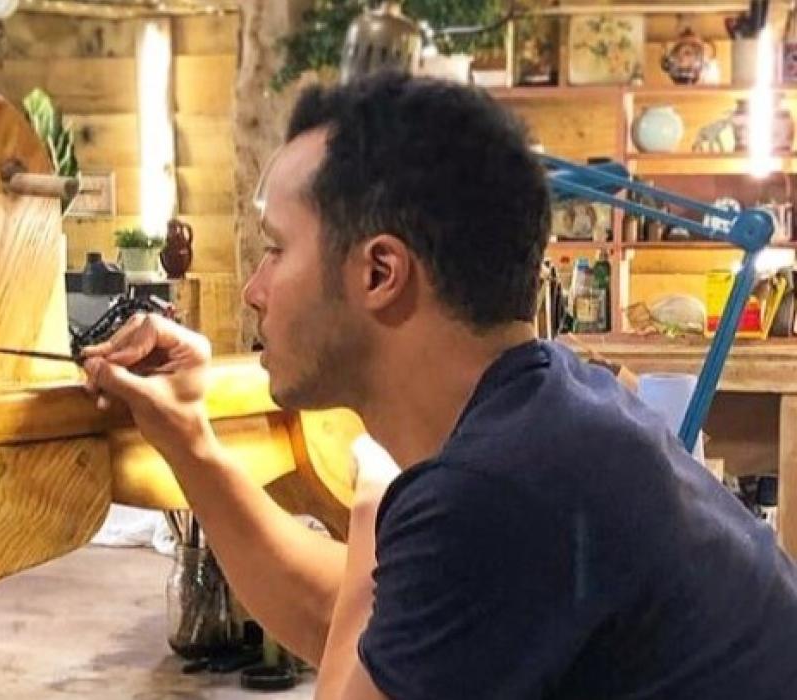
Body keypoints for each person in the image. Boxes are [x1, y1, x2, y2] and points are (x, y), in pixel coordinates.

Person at [81, 72, 797, 699]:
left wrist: (373, 500)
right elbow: (355, 625)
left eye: (275, 249)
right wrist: (189, 444)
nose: (255, 291)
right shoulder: (554, 412)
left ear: (379, 273)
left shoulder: (500, 486)